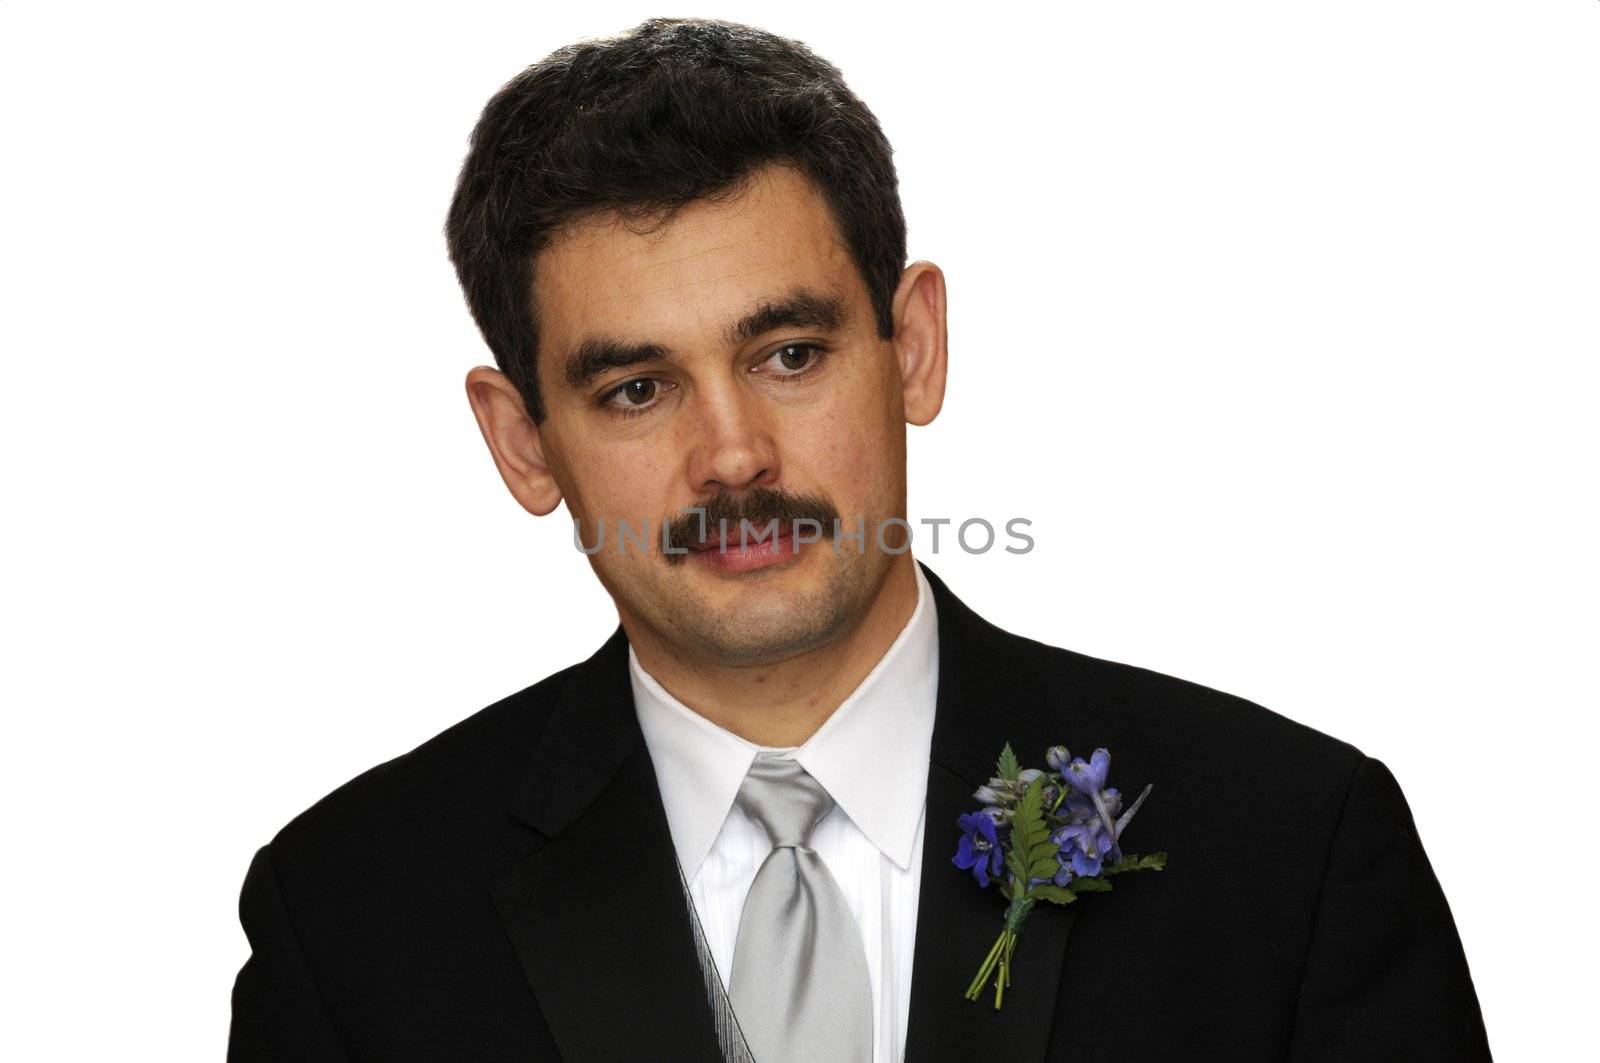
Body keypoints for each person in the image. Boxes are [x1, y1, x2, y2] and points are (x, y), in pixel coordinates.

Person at [228, 17, 1491, 1062]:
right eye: (636, 389)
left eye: (788, 354)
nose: (732, 456)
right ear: (522, 443)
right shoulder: (348, 917)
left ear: (916, 348)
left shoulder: (1287, 849)